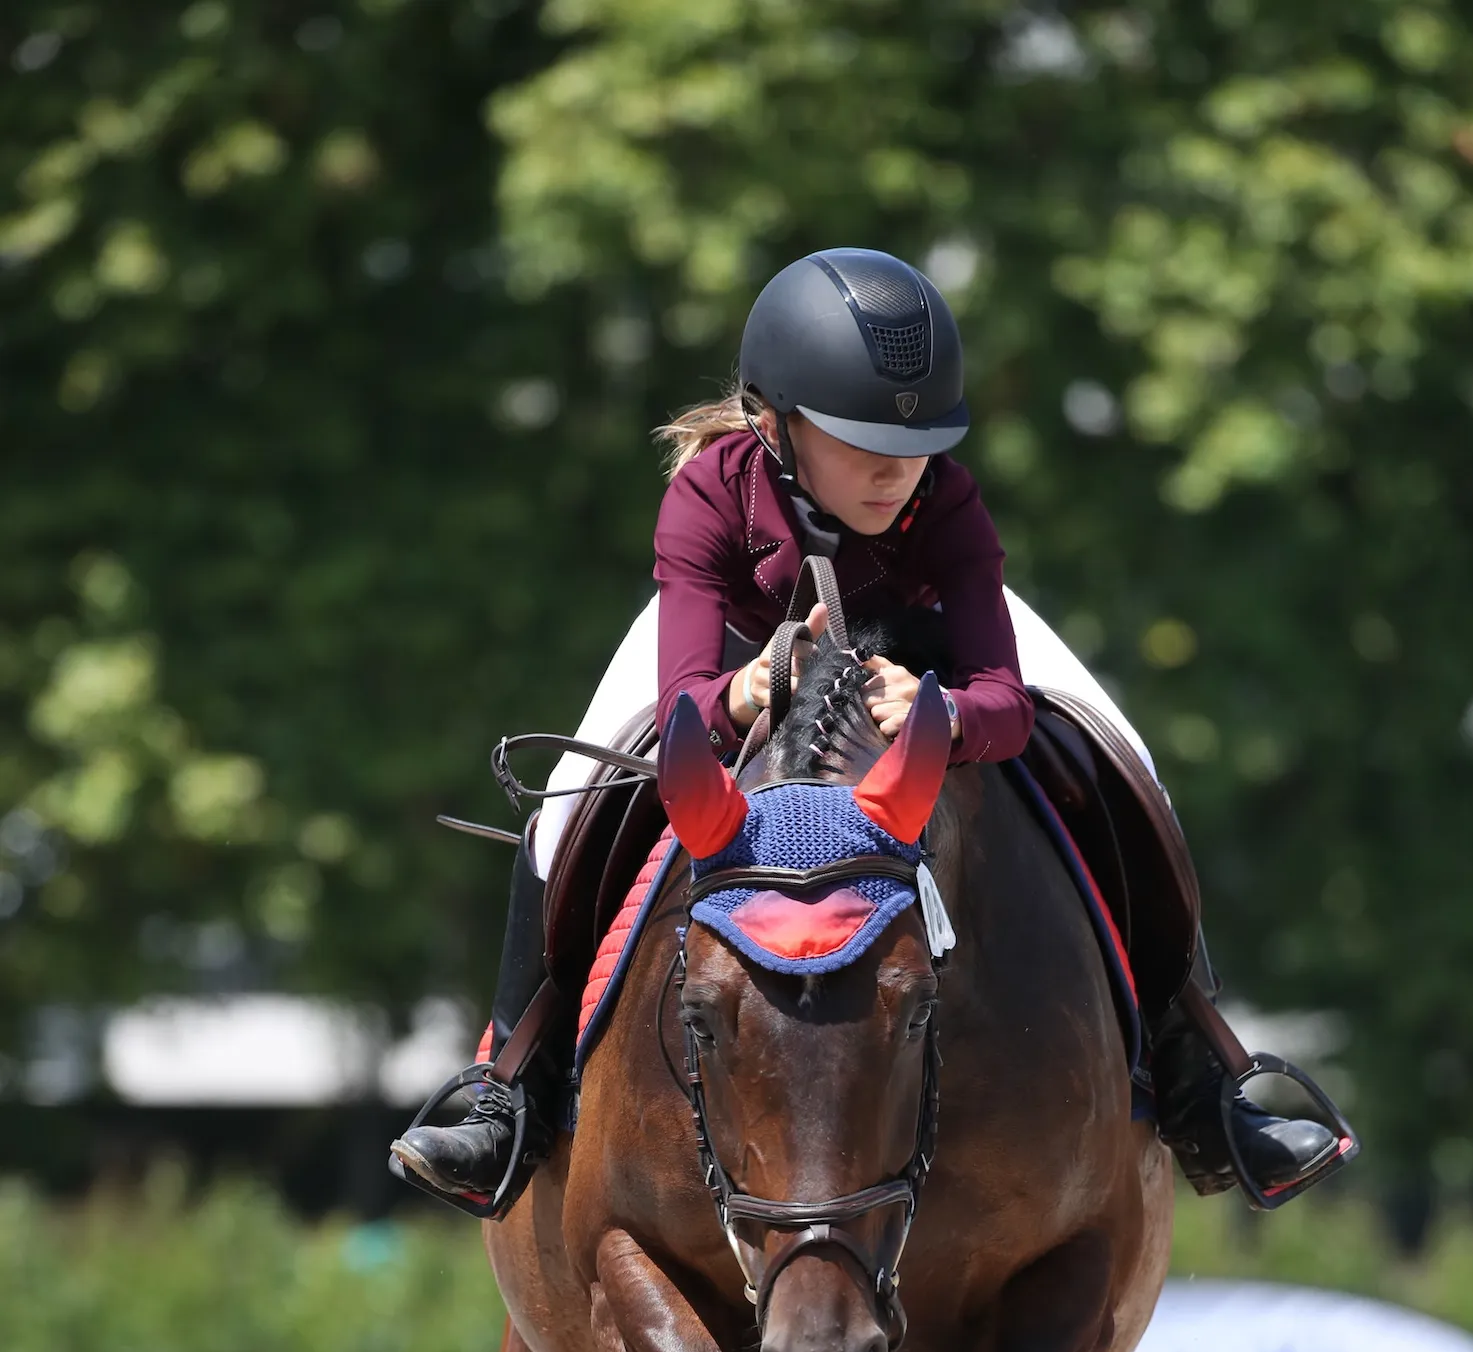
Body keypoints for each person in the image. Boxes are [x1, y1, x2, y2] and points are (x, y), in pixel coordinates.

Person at [392, 248, 1346, 1211]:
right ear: (774, 424)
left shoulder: (946, 499)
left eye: (920, 440)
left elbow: (1007, 705)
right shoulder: (711, 492)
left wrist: (941, 711)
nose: (896, 469)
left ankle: (1206, 1083)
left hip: (923, 649)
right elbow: (684, 708)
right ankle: (509, 1089)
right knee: (565, 809)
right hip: (739, 652)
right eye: (860, 441)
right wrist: (747, 690)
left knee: (1126, 761)